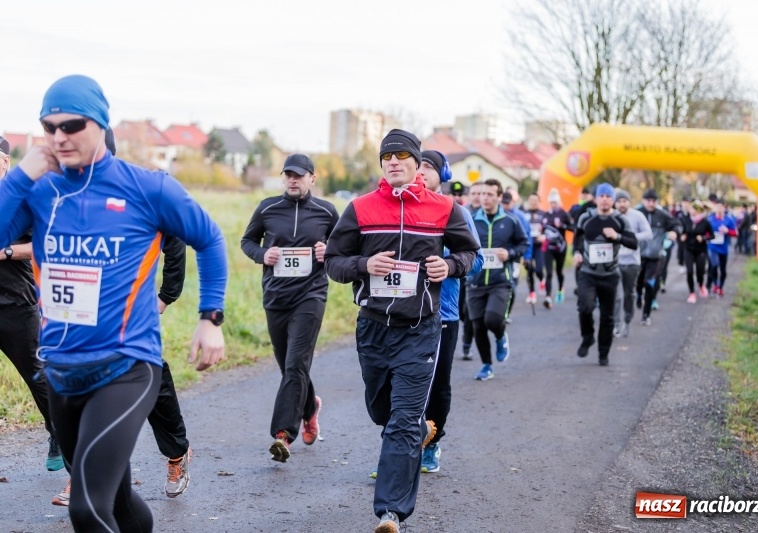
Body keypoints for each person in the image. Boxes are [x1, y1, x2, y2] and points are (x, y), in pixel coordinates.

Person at [0, 74, 227, 532]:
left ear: (101, 124)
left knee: (86, 508)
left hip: (126, 367)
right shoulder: (42, 191)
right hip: (62, 371)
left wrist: (210, 318)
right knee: (119, 504)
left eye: (72, 125)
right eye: (49, 127)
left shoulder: (148, 187)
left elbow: (209, 238)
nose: (59, 137)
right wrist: (21, 174)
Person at [324, 129, 478, 533]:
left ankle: (390, 513)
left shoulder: (445, 208)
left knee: (404, 419)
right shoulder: (360, 208)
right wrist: (364, 265)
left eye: (402, 156)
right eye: (387, 157)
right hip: (373, 328)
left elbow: (470, 253)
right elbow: (333, 262)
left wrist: (451, 266)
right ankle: (415, 431)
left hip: (420, 329)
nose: (393, 162)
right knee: (382, 411)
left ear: (416, 162)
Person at [240, 153, 339, 463]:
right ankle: (310, 408)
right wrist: (263, 254)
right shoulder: (267, 208)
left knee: (296, 363)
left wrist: (329, 251)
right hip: (276, 297)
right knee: (289, 366)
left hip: (311, 296)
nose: (293, 180)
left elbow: (346, 247)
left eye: (299, 175)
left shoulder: (327, 211)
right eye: (288, 175)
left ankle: (282, 434)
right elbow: (247, 241)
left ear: (312, 178)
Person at [0, 135, 63, 473]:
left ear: (5, 161)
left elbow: (46, 242)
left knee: (39, 377)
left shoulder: (23, 196)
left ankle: (60, 433)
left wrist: (6, 251)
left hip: (16, 304)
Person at [418, 150, 482, 474]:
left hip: (442, 313)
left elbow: (476, 259)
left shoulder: (455, 212)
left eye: (427, 166)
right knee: (397, 384)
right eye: (416, 165)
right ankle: (397, 452)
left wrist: (448, 264)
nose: (420, 171)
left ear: (443, 175)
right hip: (401, 312)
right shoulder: (400, 210)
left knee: (437, 383)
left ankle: (432, 442)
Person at [467, 179, 529, 381]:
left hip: (500, 281)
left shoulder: (511, 221)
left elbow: (524, 243)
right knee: (478, 327)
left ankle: (501, 336)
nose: (484, 198)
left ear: (499, 197)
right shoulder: (471, 220)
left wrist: (510, 253)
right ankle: (487, 366)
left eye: (490, 194)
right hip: (475, 281)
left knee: (492, 320)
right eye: (482, 194)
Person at [573, 183, 638, 365]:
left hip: (610, 275)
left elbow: (633, 243)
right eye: (601, 196)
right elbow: (577, 238)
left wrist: (617, 236)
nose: (604, 200)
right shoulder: (586, 218)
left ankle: (603, 353)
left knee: (607, 317)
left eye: (608, 196)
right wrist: (577, 253)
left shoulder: (620, 220)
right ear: (596, 199)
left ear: (613, 200)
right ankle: (588, 337)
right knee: (584, 307)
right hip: (588, 272)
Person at [636, 189, 681, 325]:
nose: (651, 204)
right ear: (643, 201)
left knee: (649, 283)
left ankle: (646, 315)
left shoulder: (662, 215)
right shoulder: (637, 214)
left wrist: (675, 232)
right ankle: (638, 294)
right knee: (638, 282)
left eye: (653, 201)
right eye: (648, 201)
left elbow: (677, 224)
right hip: (638, 256)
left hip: (655, 256)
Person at [612, 189, 652, 338]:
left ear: (629, 202)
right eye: (619, 201)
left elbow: (648, 234)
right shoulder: (612, 217)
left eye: (624, 201)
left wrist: (630, 237)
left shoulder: (637, 216)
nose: (622, 204)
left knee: (629, 293)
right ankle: (615, 325)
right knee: (615, 295)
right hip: (615, 261)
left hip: (632, 262)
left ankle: (627, 321)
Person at [461, 181, 485, 360]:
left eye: (481, 193)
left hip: (486, 272)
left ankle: (467, 344)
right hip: (463, 269)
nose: (477, 197)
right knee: (463, 311)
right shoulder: (461, 213)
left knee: (471, 312)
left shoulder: (492, 215)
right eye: (474, 193)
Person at [540, 188, 573, 308]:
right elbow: (543, 229)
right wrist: (541, 233)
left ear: (558, 202)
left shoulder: (563, 213)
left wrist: (562, 225)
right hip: (548, 248)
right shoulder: (546, 214)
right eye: (551, 202)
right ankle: (548, 297)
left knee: (559, 271)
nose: (553, 205)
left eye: (555, 202)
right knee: (548, 273)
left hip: (560, 248)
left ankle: (560, 289)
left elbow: (573, 228)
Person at [500, 191, 531, 316]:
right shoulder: (497, 214)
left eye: (507, 203)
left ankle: (506, 313)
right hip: (500, 256)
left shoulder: (519, 216)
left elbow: (526, 238)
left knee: (512, 284)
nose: (505, 206)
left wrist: (527, 257)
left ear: (513, 202)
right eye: (503, 203)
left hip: (515, 256)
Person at [680, 201, 713, 304]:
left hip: (700, 250)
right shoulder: (687, 220)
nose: (690, 210)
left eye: (692, 208)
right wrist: (682, 236)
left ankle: (701, 284)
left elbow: (712, 236)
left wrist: (703, 238)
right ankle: (692, 293)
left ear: (698, 210)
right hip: (688, 249)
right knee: (689, 271)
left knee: (700, 271)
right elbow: (683, 231)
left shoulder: (705, 222)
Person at [706, 200, 738, 297]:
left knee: (723, 269)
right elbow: (705, 232)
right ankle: (715, 285)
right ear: (715, 208)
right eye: (717, 207)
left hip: (723, 248)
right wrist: (708, 236)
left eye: (721, 207)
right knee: (714, 266)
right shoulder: (710, 219)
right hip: (712, 247)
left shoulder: (729, 220)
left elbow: (736, 233)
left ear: (724, 208)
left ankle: (720, 287)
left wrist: (727, 231)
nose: (719, 209)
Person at [522, 192, 546, 304]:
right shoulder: (523, 214)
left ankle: (541, 279)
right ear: (528, 201)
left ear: (539, 201)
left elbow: (548, 228)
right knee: (529, 269)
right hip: (527, 246)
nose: (533, 202)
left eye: (535, 200)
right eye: (531, 200)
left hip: (538, 246)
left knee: (539, 269)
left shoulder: (543, 214)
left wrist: (544, 236)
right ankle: (532, 293)